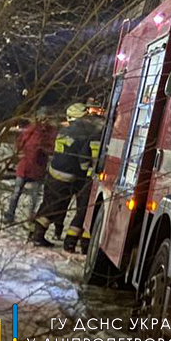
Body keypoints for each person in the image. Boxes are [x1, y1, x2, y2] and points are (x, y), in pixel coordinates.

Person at [30, 103, 100, 248]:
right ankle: (38, 236)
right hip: (68, 176)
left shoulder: (65, 130)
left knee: (48, 203)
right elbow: (83, 160)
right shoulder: (86, 133)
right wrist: (86, 173)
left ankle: (35, 233)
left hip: (53, 173)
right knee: (57, 206)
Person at [2, 108, 57, 224]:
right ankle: (10, 214)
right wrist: (19, 153)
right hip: (25, 166)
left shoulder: (50, 133)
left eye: (46, 118)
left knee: (34, 197)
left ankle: (30, 218)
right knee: (16, 193)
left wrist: (43, 149)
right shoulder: (30, 129)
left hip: (38, 168)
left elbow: (52, 148)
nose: (44, 121)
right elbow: (19, 143)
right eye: (42, 118)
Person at [63, 105, 105, 253]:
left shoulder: (93, 138)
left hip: (89, 180)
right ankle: (85, 245)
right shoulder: (112, 141)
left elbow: (83, 158)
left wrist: (86, 170)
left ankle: (70, 241)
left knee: (83, 211)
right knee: (92, 212)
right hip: (104, 182)